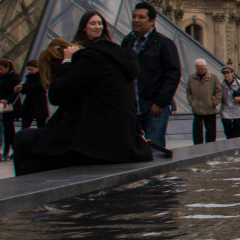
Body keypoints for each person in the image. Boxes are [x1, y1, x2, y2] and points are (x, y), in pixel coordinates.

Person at [13, 10, 152, 176]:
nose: (96, 26)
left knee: (24, 149)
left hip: (98, 145)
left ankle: (23, 199)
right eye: (92, 23)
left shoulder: (90, 58)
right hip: (122, 141)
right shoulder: (116, 56)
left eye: (98, 23)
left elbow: (56, 95)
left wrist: (66, 62)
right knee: (27, 143)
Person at [121, 2, 181, 152]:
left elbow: (173, 75)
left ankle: (155, 176)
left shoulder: (164, 44)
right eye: (134, 16)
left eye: (141, 17)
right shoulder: (127, 42)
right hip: (132, 105)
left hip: (154, 107)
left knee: (155, 149)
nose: (136, 20)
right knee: (133, 149)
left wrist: (160, 102)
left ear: (152, 20)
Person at [186, 58, 223, 143]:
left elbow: (219, 91)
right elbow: (188, 92)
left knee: (211, 131)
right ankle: (198, 147)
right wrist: (192, 102)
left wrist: (214, 103)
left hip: (210, 108)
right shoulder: (192, 78)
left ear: (205, 67)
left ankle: (210, 146)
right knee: (197, 131)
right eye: (199, 68)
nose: (200, 70)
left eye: (202, 68)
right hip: (197, 108)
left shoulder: (213, 77)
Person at [14, 60, 49, 131]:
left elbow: (37, 87)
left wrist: (24, 86)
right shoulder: (30, 77)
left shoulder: (41, 77)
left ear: (37, 68)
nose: (29, 71)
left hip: (38, 104)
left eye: (31, 69)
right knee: (26, 125)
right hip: (30, 104)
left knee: (40, 126)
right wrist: (21, 88)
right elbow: (27, 89)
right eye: (28, 69)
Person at [220, 64, 240, 138]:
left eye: (228, 73)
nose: (226, 75)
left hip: (238, 110)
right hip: (226, 109)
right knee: (227, 129)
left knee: (238, 133)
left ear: (232, 73)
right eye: (224, 73)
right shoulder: (221, 84)